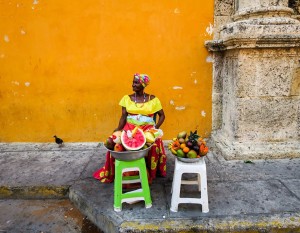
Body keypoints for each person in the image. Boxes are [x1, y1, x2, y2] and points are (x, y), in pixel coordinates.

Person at [93, 73, 166, 184]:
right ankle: (118, 171)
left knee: (154, 144)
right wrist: (117, 129)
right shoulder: (126, 99)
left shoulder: (153, 99)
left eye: (136, 83)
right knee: (113, 142)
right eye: (133, 82)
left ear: (143, 84)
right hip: (129, 128)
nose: (133, 85)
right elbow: (123, 117)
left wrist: (155, 129)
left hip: (147, 129)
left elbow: (162, 116)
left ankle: (151, 172)